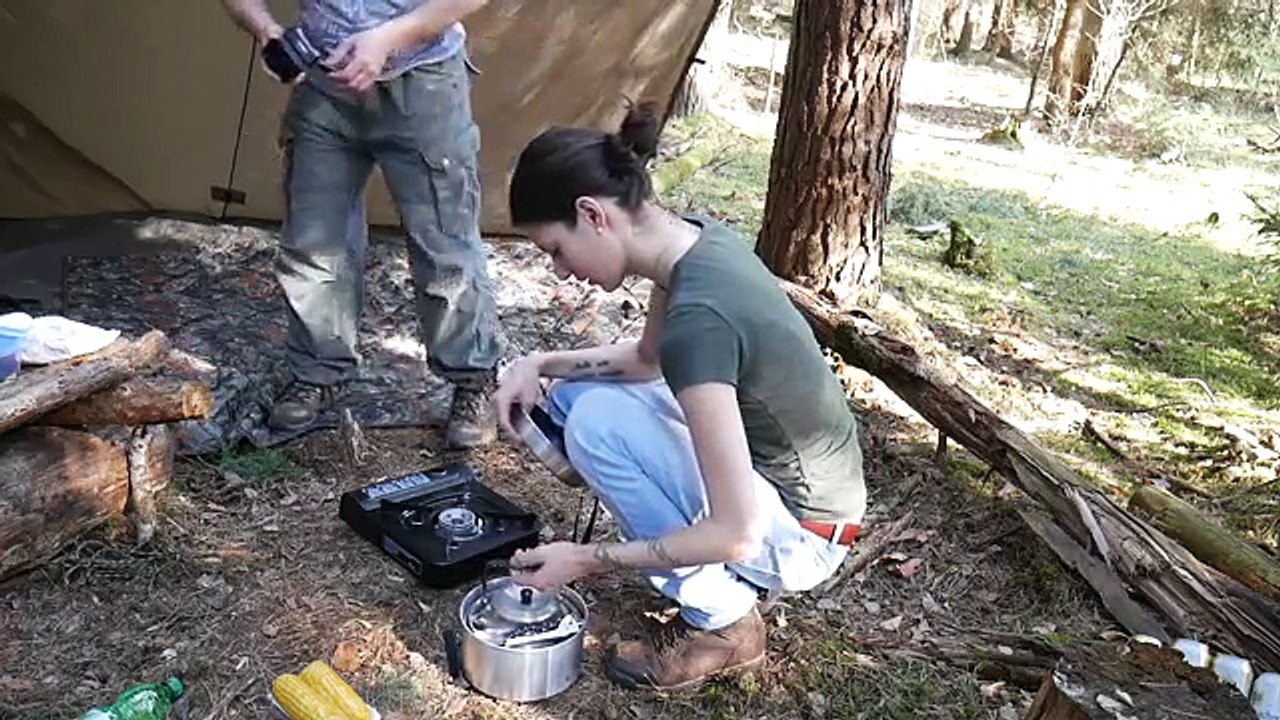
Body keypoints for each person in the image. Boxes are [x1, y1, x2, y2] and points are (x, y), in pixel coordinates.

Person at [493, 103, 868, 690]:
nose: (562, 273)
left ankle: (724, 623)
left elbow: (736, 533)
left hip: (805, 535)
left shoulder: (700, 319)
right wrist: (537, 364)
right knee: (575, 395)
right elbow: (645, 362)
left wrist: (588, 560)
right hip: (806, 495)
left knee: (594, 423)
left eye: (555, 251)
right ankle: (689, 546)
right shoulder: (691, 243)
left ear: (592, 215)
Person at [219, 0, 503, 448]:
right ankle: (319, 371)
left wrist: (388, 38)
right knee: (312, 243)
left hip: (424, 84)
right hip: (325, 88)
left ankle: (473, 378)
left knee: (444, 246)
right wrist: (266, 31)